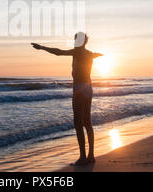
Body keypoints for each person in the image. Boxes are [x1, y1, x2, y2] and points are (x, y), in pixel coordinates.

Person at [31, 32, 103, 166]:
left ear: (79, 41)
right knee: (87, 121)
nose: (74, 42)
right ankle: (91, 155)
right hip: (88, 87)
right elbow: (92, 56)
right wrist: (96, 55)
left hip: (79, 89)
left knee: (78, 122)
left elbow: (58, 52)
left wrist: (42, 47)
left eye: (75, 40)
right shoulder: (89, 53)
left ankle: (82, 157)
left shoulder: (77, 52)